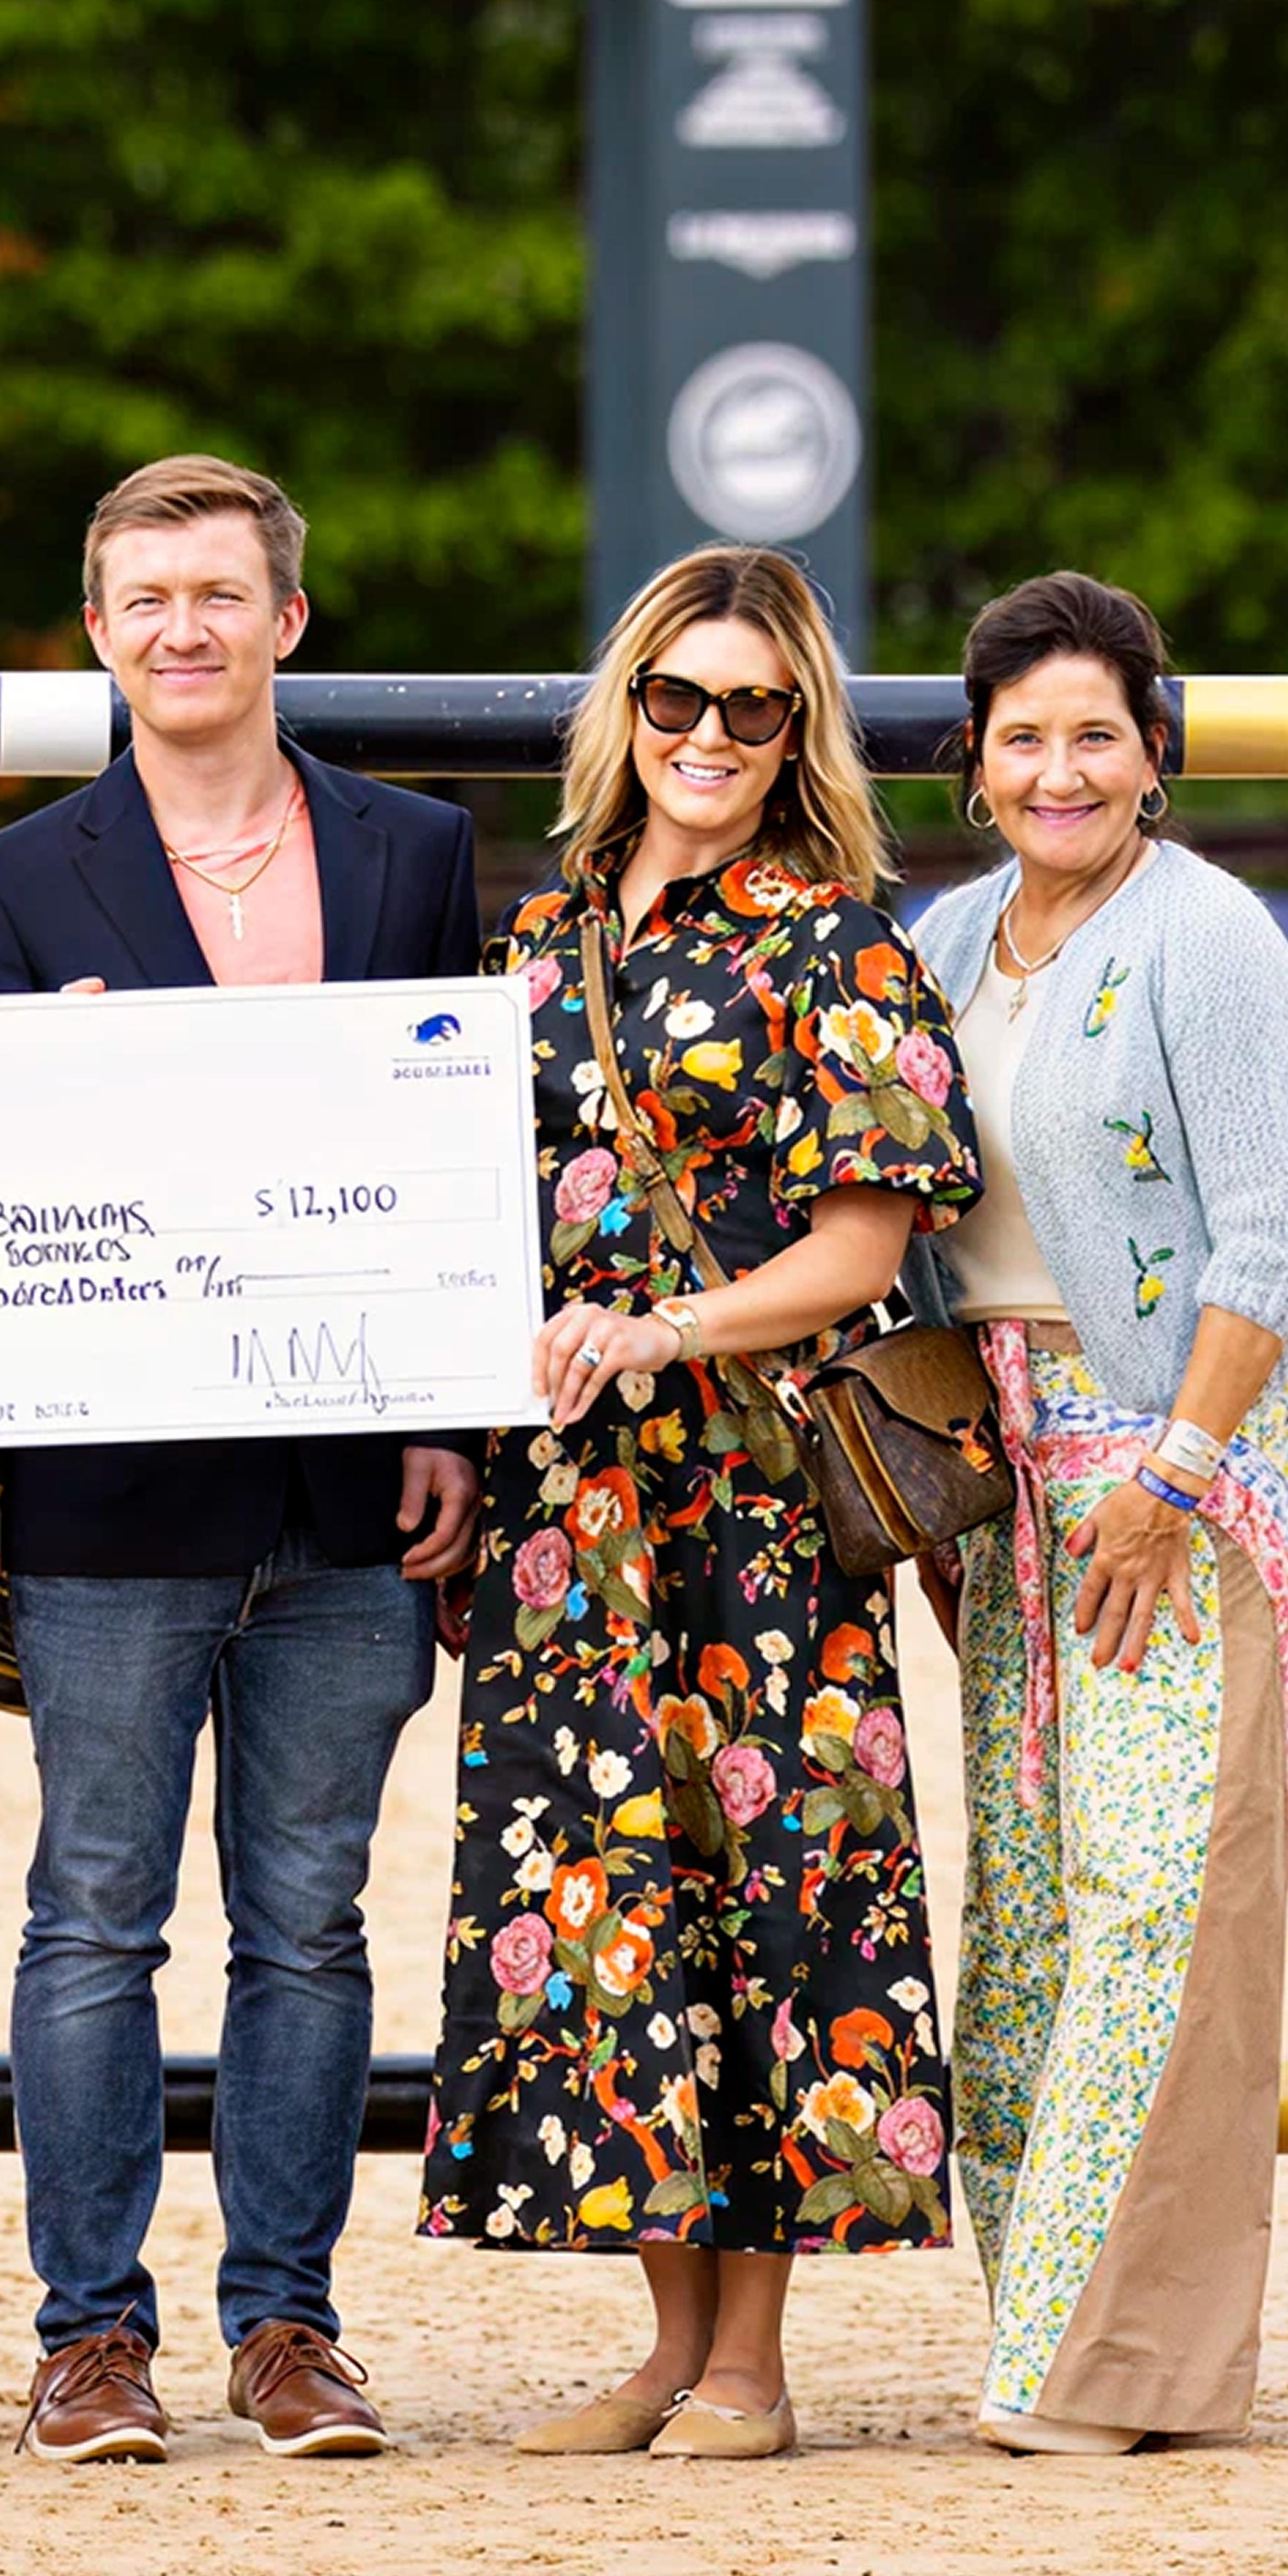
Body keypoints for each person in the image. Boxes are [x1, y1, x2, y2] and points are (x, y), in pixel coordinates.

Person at [0, 453, 481, 2465]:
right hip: (112, 1488)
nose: (183, 627)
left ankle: (288, 2326)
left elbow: (462, 1172)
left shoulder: (416, 851)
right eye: (144, 597)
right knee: (94, 1910)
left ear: (287, 620)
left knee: (312, 1915)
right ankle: (90, 2335)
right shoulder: (8, 884)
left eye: (219, 593)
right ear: (97, 631)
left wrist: (446, 1415)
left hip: (351, 1483)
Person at [424, 541, 978, 2463]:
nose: (712, 734)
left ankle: (755, 2357)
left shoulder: (836, 939)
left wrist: (660, 1328)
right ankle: (668, 2345)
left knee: (779, 1904)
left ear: (796, 724)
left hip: (752, 1498)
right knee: (616, 1909)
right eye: (680, 697)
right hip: (574, 1505)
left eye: (755, 704)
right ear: (628, 708)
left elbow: (865, 1243)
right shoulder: (538, 933)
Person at [911, 571, 1288, 2456]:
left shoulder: (1211, 938)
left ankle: (1104, 2365)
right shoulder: (944, 941)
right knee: (1021, 1901)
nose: (1061, 767)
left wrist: (1172, 1476)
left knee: (1153, 1889)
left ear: (1154, 750)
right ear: (978, 766)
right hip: (991, 1457)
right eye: (1025, 738)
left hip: (1165, 1438)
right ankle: (1056, 2320)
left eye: (1098, 732)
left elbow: (1272, 1238)